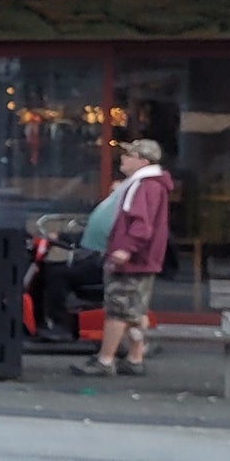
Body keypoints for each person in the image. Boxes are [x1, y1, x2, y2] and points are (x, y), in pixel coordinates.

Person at [87, 138, 172, 377]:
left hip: (132, 260)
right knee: (136, 311)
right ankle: (135, 357)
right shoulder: (148, 184)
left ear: (142, 161)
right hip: (142, 259)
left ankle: (105, 360)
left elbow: (140, 224)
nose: (122, 159)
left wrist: (126, 249)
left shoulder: (144, 186)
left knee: (118, 311)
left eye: (129, 155)